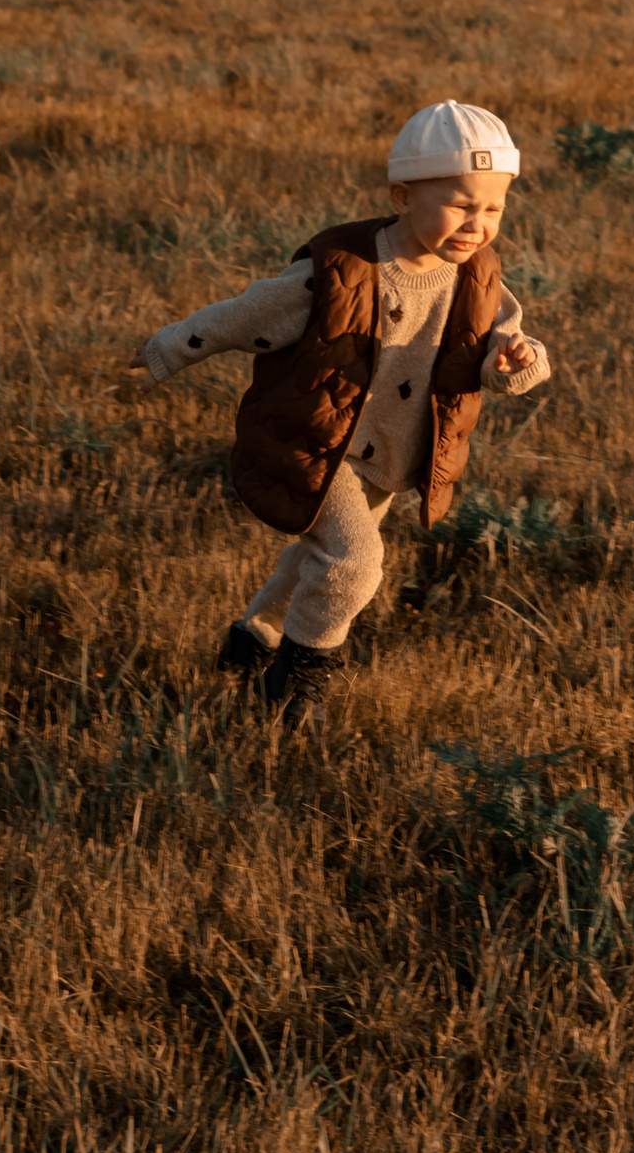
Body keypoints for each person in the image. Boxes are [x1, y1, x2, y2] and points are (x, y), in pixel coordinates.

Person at [130, 101, 553, 727]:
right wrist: (169, 347)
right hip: (321, 444)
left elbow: (500, 354)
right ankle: (298, 684)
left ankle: (256, 634)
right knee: (354, 562)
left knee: (316, 553)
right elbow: (247, 314)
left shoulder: (478, 276)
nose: (478, 224)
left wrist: (517, 362)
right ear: (403, 195)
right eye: (461, 205)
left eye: (493, 208)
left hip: (393, 453)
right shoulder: (342, 269)